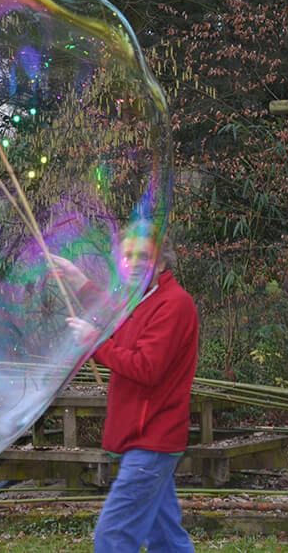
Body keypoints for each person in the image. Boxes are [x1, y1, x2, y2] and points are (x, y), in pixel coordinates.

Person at [53, 229, 199, 553]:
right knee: (167, 539)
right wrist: (78, 280)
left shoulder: (175, 305)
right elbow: (115, 317)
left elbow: (146, 368)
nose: (133, 264)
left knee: (113, 537)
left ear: (161, 264)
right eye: (127, 256)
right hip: (144, 437)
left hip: (153, 438)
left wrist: (95, 342)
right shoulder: (141, 298)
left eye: (143, 257)